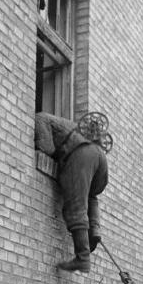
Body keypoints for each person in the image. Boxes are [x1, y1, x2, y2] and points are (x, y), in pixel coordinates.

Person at [35, 111, 112, 273]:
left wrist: (47, 152)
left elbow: (41, 122)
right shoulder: (74, 130)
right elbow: (94, 191)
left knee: (75, 205)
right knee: (90, 195)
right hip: (100, 160)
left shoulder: (49, 120)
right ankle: (94, 230)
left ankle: (83, 258)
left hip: (82, 155)